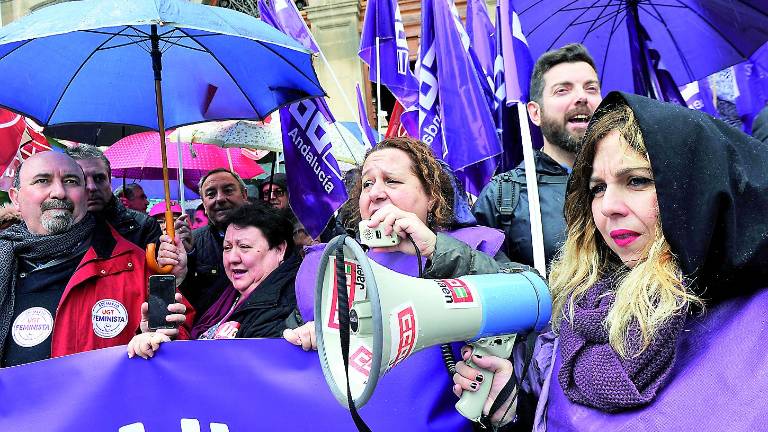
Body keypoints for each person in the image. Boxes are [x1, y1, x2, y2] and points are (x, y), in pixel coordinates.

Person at [455, 92, 768, 430]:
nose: (608, 207)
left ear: (696, 188)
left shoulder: (756, 318)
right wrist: (513, 411)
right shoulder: (578, 312)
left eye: (637, 180)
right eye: (598, 188)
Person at [284, 137, 537, 430]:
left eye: (392, 181)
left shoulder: (471, 247)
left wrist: (434, 249)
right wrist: (315, 337)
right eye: (367, 184)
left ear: (431, 196)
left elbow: (528, 296)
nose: (376, 192)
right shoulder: (336, 268)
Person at [0, 151, 189, 367]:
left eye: (71, 181)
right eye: (42, 181)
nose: (59, 192)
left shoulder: (134, 265)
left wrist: (156, 337)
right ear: (15, 198)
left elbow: (179, 334)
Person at [473, 43, 602, 268]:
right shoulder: (504, 195)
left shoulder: (632, 178)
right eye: (563, 90)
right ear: (535, 113)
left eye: (591, 88)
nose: (582, 97)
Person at [128, 203, 301, 358]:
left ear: (279, 249)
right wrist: (160, 338)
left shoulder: (290, 306)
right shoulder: (227, 290)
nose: (232, 258)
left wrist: (173, 355)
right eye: (227, 247)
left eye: (244, 247)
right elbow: (191, 330)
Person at [180, 168, 249, 318]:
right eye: (211, 194)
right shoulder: (192, 242)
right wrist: (187, 257)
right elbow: (185, 299)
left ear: (244, 195)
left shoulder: (268, 236)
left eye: (228, 190)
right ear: (204, 203)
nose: (220, 199)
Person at [64, 144, 163, 248]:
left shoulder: (144, 226)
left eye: (99, 178)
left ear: (109, 180)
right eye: (81, 179)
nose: (92, 187)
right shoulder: (55, 227)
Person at [258, 173, 314, 247]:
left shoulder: (305, 223)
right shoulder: (259, 222)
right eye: (266, 193)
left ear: (290, 195)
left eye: (278, 192)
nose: (271, 197)